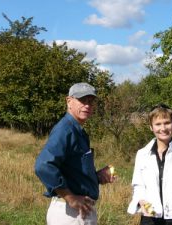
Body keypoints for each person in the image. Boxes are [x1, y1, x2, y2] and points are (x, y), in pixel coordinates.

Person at [35, 82, 114, 225]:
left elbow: (73, 171)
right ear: (69, 101)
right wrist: (70, 198)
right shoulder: (66, 129)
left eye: (91, 101)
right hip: (69, 214)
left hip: (78, 213)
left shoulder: (77, 130)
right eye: (82, 100)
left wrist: (95, 177)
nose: (87, 105)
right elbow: (43, 165)